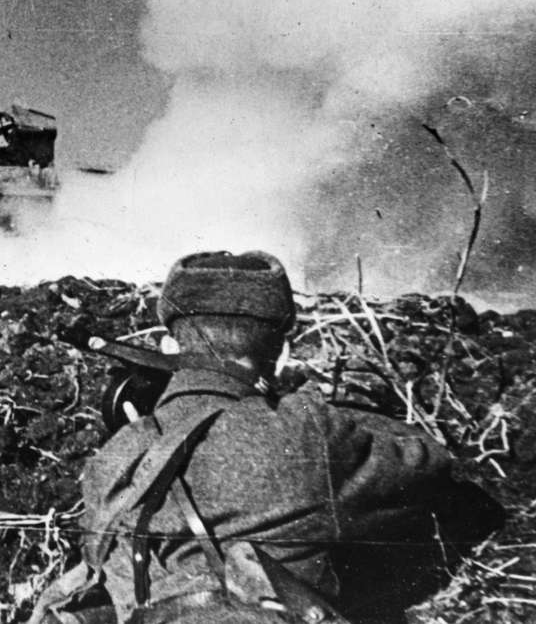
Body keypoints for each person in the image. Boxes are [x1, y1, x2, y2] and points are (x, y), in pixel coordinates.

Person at [30, 250, 503, 624]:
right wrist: (348, 404)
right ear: (279, 355)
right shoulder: (303, 431)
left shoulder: (113, 458)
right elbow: (430, 463)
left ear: (169, 346)